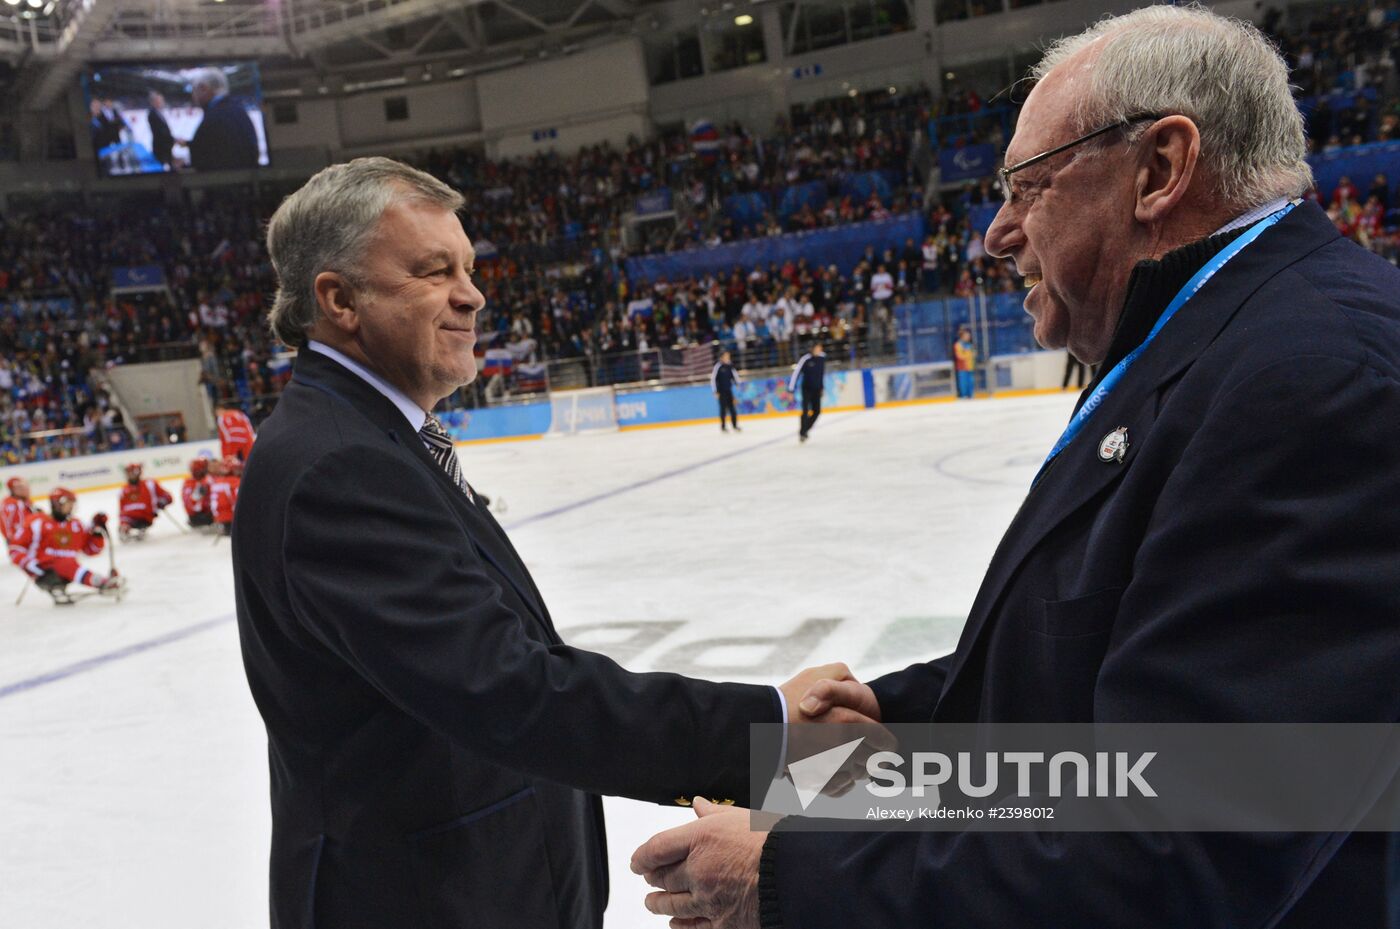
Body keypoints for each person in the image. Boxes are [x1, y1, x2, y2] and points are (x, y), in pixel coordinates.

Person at [630, 7, 1400, 927]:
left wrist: (785, 879)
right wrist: (899, 708)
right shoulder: (1207, 337)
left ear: (1158, 169)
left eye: (1026, 186)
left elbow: (1186, 840)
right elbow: (1121, 639)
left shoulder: (1316, 377)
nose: (996, 233)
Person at [232, 157, 876, 929]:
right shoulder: (339, 463)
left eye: (468, 268)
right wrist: (777, 734)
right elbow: (516, 694)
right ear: (338, 300)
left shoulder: (373, 438)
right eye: (434, 271)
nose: (472, 294)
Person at [26, 487, 123, 604]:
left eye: (72, 503)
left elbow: (91, 550)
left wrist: (96, 532)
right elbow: (19, 547)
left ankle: (99, 582)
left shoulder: (75, 524)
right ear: (57, 504)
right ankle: (100, 582)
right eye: (69, 503)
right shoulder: (39, 522)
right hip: (45, 570)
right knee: (66, 564)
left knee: (67, 564)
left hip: (67, 568)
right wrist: (31, 566)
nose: (71, 507)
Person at [186, 68, 259, 171]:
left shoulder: (213, 118)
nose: (193, 96)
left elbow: (201, 160)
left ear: (204, 88)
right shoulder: (240, 111)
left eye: (194, 90)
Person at [117, 462, 173, 541]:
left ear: (138, 473)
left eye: (131, 472)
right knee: (123, 530)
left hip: (145, 518)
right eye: (128, 472)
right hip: (130, 520)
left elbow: (167, 497)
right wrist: (123, 524)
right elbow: (122, 511)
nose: (129, 475)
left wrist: (162, 502)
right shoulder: (123, 490)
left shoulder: (150, 484)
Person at [2, 476, 41, 579]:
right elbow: (8, 525)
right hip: (20, 541)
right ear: (13, 491)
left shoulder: (24, 501)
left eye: (24, 486)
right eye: (20, 488)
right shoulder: (11, 504)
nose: (25, 489)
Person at [789, 342, 826, 443]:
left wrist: (822, 387)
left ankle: (805, 430)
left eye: (820, 348)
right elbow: (796, 374)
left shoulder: (822, 358)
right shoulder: (805, 359)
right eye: (817, 348)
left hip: (817, 389)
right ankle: (803, 432)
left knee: (817, 411)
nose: (819, 350)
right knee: (805, 411)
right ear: (813, 348)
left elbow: (821, 374)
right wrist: (791, 390)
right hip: (806, 389)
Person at [711, 349, 742, 432]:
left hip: (729, 390)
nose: (728, 357)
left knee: (732, 409)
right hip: (721, 391)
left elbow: (735, 376)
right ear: (721, 357)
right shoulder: (718, 366)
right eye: (726, 356)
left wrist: (738, 384)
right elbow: (713, 379)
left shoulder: (730, 366)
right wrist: (715, 391)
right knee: (723, 409)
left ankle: (735, 425)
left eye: (728, 356)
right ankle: (723, 426)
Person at [208, 456, 240, 537]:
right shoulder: (235, 481)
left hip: (218, 519)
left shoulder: (217, 481)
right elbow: (237, 502)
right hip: (231, 520)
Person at [146, 91, 175, 171]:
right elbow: (160, 131)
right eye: (160, 100)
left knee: (169, 164)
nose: (162, 102)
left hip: (166, 145)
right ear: (153, 102)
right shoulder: (152, 114)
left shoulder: (158, 112)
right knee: (160, 167)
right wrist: (172, 139)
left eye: (162, 100)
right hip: (160, 145)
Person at [182, 458, 214, 529]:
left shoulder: (187, 482)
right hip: (202, 517)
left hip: (192, 517)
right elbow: (196, 504)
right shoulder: (204, 482)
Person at [953, 325, 977, 398]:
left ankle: (971, 395)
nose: (968, 337)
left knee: (971, 382)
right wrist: (969, 355)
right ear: (962, 336)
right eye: (966, 336)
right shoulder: (958, 345)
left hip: (970, 366)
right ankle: (963, 395)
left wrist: (971, 355)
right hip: (962, 367)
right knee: (963, 383)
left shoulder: (970, 345)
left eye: (968, 336)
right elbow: (959, 356)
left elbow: (974, 354)